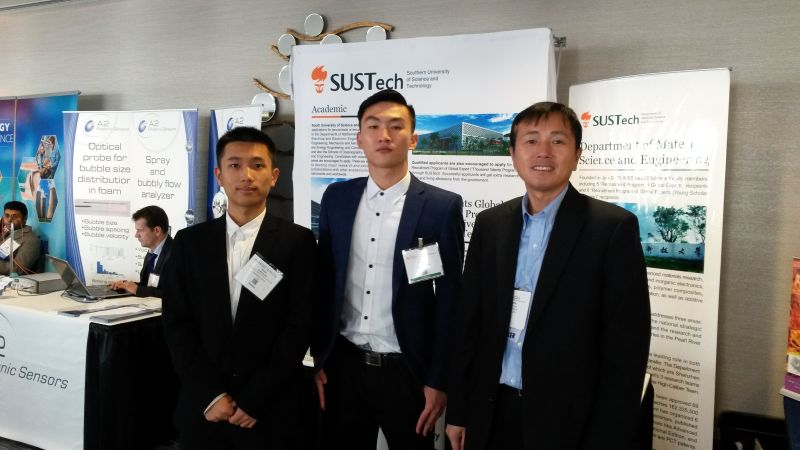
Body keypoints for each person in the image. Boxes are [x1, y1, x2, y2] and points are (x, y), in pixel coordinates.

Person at [445, 101, 651, 450]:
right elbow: (470, 324)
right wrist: (460, 411)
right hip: (491, 412)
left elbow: (626, 349)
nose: (543, 151)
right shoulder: (491, 224)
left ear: (577, 155)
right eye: (531, 140)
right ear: (513, 154)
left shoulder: (612, 229)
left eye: (557, 141)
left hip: (567, 422)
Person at [312, 89, 464, 449]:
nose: (384, 135)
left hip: (407, 371)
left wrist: (439, 379)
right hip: (343, 367)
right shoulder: (337, 198)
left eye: (396, 126)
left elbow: (450, 301)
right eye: (373, 126)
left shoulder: (441, 207)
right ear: (359, 138)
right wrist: (316, 359)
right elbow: (323, 283)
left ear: (412, 139)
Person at [162, 127, 316, 450]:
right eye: (234, 165)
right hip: (205, 409)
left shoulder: (298, 242)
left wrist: (256, 398)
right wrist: (210, 394)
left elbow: (300, 325)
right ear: (219, 175)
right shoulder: (190, 243)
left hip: (270, 412)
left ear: (274, 176)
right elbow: (177, 323)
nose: (246, 175)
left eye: (257, 165)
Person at [109, 205, 173, 297]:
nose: (136, 235)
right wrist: (125, 285)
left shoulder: (175, 254)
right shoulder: (152, 252)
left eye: (140, 230)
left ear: (157, 231)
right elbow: (148, 286)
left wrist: (137, 289)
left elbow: (172, 294)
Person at [0, 201, 41, 275]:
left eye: (15, 216)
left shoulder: (31, 240)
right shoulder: (7, 233)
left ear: (25, 218)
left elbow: (17, 269)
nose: (9, 220)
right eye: (7, 215)